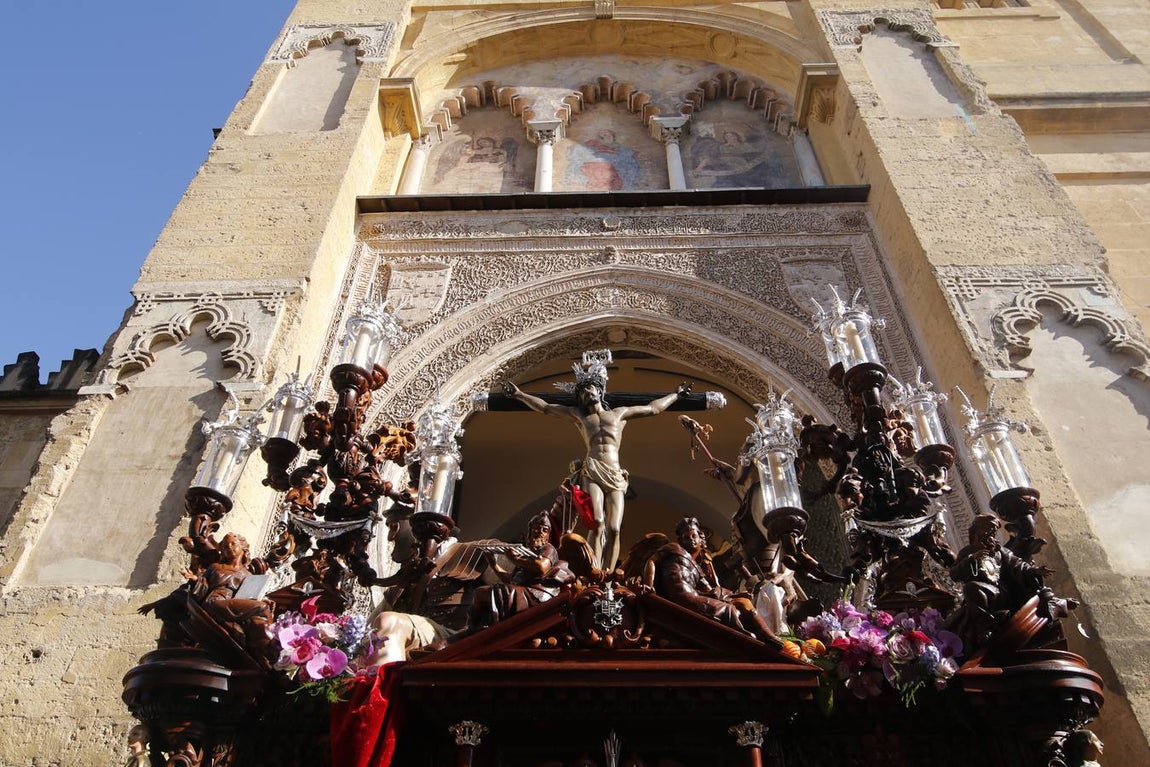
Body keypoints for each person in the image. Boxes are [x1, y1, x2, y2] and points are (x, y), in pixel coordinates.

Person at [504, 350, 686, 569]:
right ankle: (594, 568)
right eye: (581, 392)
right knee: (596, 522)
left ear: (599, 391)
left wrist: (676, 395)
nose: (586, 394)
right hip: (592, 470)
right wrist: (519, 395)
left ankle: (608, 574)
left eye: (589, 388)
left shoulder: (619, 414)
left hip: (616, 473)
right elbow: (546, 407)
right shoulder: (580, 417)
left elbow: (653, 409)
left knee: (615, 528)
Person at [654, 517, 779, 646]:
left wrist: (734, 595)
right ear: (681, 541)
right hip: (682, 599)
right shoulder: (674, 549)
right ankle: (751, 640)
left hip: (694, 597)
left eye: (693, 536)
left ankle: (769, 636)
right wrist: (648, 585)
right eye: (686, 537)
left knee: (744, 603)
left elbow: (711, 590)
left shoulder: (698, 569)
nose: (691, 539)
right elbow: (652, 561)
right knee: (731, 610)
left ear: (701, 541)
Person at [467, 511, 570, 630]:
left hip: (534, 594)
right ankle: (477, 628)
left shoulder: (548, 548)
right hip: (521, 589)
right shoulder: (525, 554)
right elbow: (511, 579)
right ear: (530, 531)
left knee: (482, 593)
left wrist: (514, 559)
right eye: (537, 529)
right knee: (481, 594)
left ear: (547, 536)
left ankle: (477, 629)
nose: (540, 533)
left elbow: (541, 567)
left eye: (544, 530)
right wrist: (494, 564)